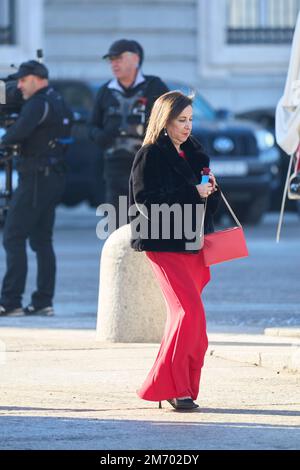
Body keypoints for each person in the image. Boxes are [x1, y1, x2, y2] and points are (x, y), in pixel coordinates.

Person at [129, 91, 220, 411]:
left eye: (191, 120)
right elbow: (145, 202)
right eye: (181, 120)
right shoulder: (150, 154)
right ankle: (171, 387)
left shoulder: (196, 153)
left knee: (193, 323)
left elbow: (205, 201)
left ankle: (179, 385)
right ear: (164, 121)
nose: (187, 126)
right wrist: (190, 191)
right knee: (188, 314)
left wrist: (208, 189)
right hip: (164, 243)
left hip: (193, 244)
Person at [0, 60, 73, 317]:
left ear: (36, 78)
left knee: (13, 235)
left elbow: (16, 133)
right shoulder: (57, 99)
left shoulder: (37, 103)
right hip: (53, 177)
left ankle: (11, 302)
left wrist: (4, 140)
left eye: (22, 80)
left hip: (35, 178)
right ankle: (43, 302)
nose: (18, 86)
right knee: (42, 240)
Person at [88, 38, 168, 226]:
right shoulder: (105, 91)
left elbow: (172, 121)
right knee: (118, 227)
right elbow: (91, 126)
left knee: (149, 227)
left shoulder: (155, 87)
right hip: (115, 168)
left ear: (135, 59)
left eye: (118, 58)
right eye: (111, 60)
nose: (113, 64)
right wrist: (101, 136)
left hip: (148, 168)